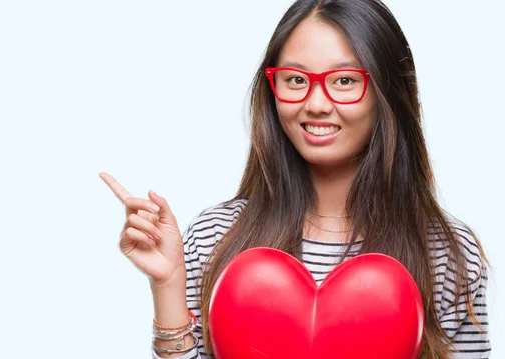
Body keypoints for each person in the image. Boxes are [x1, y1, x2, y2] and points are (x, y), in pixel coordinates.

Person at [101, 0, 491, 357]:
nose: (316, 105)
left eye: (344, 81)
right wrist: (168, 284)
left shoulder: (447, 254)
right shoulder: (217, 234)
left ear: (386, 91)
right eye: (295, 80)